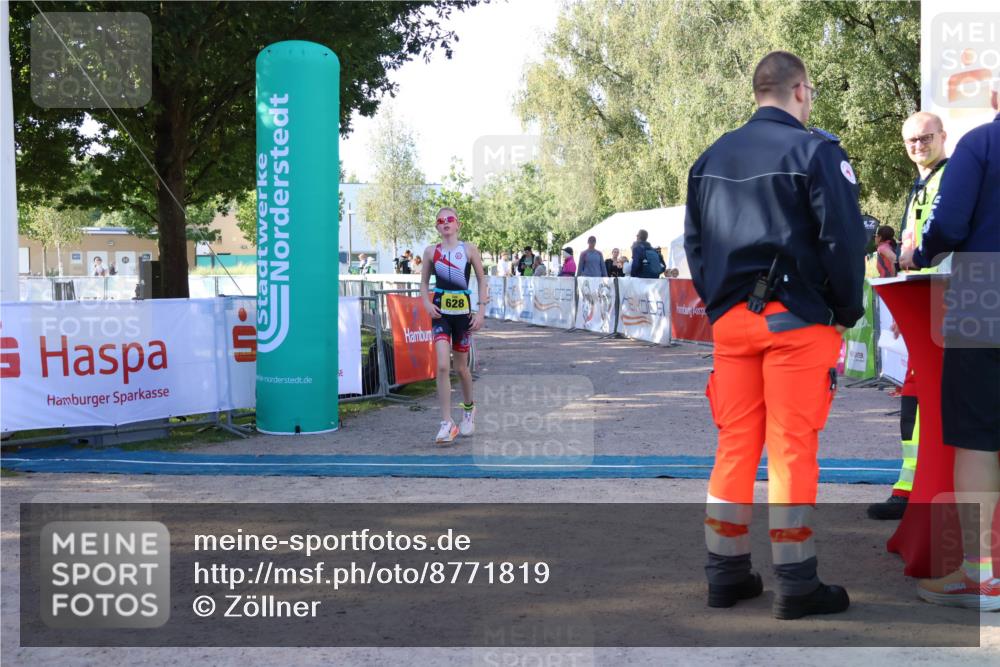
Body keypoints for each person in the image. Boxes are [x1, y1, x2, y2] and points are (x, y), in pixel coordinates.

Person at [685, 51, 865, 619]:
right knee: (792, 450)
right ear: (801, 91)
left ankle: (726, 573)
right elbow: (841, 241)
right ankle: (796, 582)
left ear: (756, 90)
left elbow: (695, 245)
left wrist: (723, 305)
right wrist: (844, 310)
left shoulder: (710, 159)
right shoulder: (817, 152)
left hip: (733, 324)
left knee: (734, 446)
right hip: (797, 322)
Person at [899, 93, 1000, 611]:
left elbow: (950, 225)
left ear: (996, 97)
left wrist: (919, 251)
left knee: (978, 437)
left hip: (986, 291)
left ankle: (982, 576)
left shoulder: (981, 143)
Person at [867, 112, 950, 521]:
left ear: (942, 137)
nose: (918, 145)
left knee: (927, 403)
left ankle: (915, 492)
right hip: (924, 304)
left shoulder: (949, 179)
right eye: (911, 141)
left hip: (947, 303)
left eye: (925, 137)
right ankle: (910, 488)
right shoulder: (921, 185)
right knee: (914, 402)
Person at [420, 207, 488, 444]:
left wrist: (481, 310)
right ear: (437, 227)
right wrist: (426, 303)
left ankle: (469, 409)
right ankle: (447, 423)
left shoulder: (469, 249)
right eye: (441, 220)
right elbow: (423, 283)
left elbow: (481, 278)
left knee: (461, 368)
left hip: (463, 317)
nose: (445, 223)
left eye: (450, 219)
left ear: (458, 225)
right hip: (441, 315)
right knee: (441, 366)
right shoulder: (431, 252)